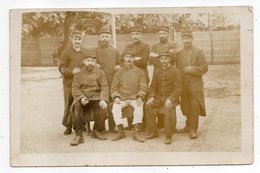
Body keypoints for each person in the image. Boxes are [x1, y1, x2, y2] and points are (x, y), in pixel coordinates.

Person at [70, 50, 109, 146]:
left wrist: (103, 99)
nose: (90, 63)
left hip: (96, 98)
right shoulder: (78, 73)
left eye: (92, 61)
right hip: (83, 98)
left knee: (104, 108)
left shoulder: (100, 72)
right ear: (84, 61)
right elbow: (75, 88)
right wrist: (81, 98)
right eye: (88, 60)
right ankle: (79, 135)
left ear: (95, 62)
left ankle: (96, 130)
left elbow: (104, 86)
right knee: (76, 107)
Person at [175, 29, 208, 139]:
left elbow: (205, 67)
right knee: (186, 107)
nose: (186, 40)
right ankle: (188, 126)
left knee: (194, 107)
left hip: (195, 86)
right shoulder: (178, 54)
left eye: (188, 38)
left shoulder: (199, 52)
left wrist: (192, 69)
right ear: (182, 40)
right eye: (184, 38)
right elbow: (176, 70)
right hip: (184, 86)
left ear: (192, 39)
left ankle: (193, 129)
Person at [110, 48, 147, 143]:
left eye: (131, 57)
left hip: (135, 97)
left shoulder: (140, 72)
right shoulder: (119, 72)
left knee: (139, 106)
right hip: (122, 98)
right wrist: (116, 97)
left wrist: (140, 96)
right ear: (124, 58)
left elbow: (143, 86)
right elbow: (114, 87)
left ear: (134, 59)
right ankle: (120, 131)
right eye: (127, 57)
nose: (129, 59)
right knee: (115, 107)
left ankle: (136, 132)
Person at [145, 52, 182, 145]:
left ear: (170, 59)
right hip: (159, 98)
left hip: (171, 98)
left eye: (166, 58)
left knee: (168, 108)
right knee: (148, 106)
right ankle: (153, 132)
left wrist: (170, 98)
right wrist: (152, 96)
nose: (163, 61)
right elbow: (153, 86)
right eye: (161, 59)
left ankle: (168, 135)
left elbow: (179, 88)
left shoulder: (176, 71)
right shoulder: (157, 71)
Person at [59, 30, 89, 135]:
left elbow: (89, 64)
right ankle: (68, 126)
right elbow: (61, 67)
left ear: (82, 40)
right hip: (69, 83)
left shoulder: (85, 51)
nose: (77, 41)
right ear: (71, 39)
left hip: (82, 84)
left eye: (79, 39)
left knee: (82, 103)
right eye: (75, 39)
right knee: (69, 104)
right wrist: (71, 71)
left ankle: (81, 125)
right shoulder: (66, 52)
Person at [149, 26, 179, 129]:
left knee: (167, 93)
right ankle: (160, 123)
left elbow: (174, 58)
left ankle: (171, 125)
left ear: (168, 34)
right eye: (160, 34)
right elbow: (151, 60)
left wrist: (158, 56)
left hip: (169, 72)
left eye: (164, 33)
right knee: (158, 92)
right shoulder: (154, 46)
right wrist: (163, 57)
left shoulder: (172, 44)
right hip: (157, 72)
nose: (162, 35)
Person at [94, 27, 122, 133]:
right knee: (100, 103)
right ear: (99, 38)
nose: (104, 39)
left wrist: (118, 65)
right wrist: (94, 64)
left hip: (111, 80)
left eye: (106, 37)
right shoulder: (94, 51)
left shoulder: (115, 51)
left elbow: (120, 62)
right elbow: (90, 62)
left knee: (112, 103)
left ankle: (112, 125)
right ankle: (100, 126)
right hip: (98, 82)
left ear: (110, 38)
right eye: (102, 37)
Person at [124, 24, 150, 130]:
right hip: (129, 75)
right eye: (134, 34)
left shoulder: (145, 46)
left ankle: (142, 125)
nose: (135, 36)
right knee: (130, 96)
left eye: (137, 34)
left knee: (141, 97)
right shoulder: (128, 46)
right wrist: (136, 59)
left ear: (141, 35)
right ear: (131, 35)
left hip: (142, 75)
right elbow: (124, 59)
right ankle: (131, 124)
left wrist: (131, 61)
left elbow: (144, 61)